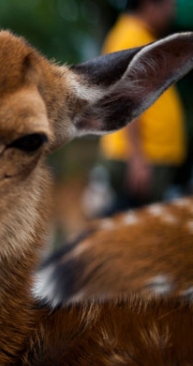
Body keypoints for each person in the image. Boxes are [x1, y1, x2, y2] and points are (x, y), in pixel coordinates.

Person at [99, 0, 186, 213]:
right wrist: (137, 159)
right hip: (139, 159)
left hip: (145, 157)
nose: (172, 12)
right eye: (169, 5)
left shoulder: (141, 35)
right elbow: (126, 101)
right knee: (137, 234)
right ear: (150, 4)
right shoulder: (131, 37)